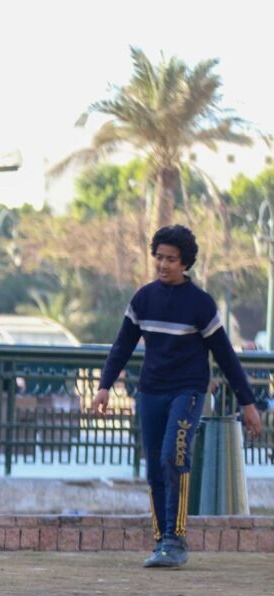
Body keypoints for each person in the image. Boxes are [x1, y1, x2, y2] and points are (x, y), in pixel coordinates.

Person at [91, 225, 262, 569]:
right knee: (155, 465)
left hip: (189, 390)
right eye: (159, 257)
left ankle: (176, 537)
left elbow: (226, 355)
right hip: (151, 391)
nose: (163, 264)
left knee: (174, 455)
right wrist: (105, 385)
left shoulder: (200, 304)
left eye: (171, 259)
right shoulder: (143, 299)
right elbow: (123, 344)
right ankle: (161, 541)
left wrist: (247, 402)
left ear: (185, 263)